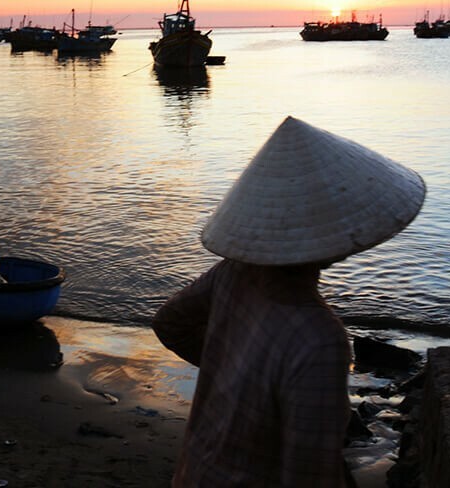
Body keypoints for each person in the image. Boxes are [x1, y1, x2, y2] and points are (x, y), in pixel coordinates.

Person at [152, 116, 426, 487]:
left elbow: (170, 323)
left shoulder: (232, 272)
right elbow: (307, 473)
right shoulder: (320, 340)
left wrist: (234, 375)